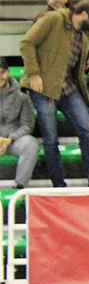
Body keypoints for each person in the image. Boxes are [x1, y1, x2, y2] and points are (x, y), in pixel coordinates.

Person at [19, 0, 89, 188]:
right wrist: (34, 73)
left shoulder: (83, 37)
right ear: (83, 14)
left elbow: (77, 72)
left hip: (68, 87)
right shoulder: (53, 19)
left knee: (87, 130)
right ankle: (58, 186)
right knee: (50, 139)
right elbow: (26, 43)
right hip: (44, 89)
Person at [0, 58, 40, 189]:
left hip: (14, 140)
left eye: (2, 72)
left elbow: (27, 125)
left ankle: (19, 186)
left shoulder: (22, 97)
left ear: (8, 72)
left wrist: (9, 139)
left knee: (31, 145)